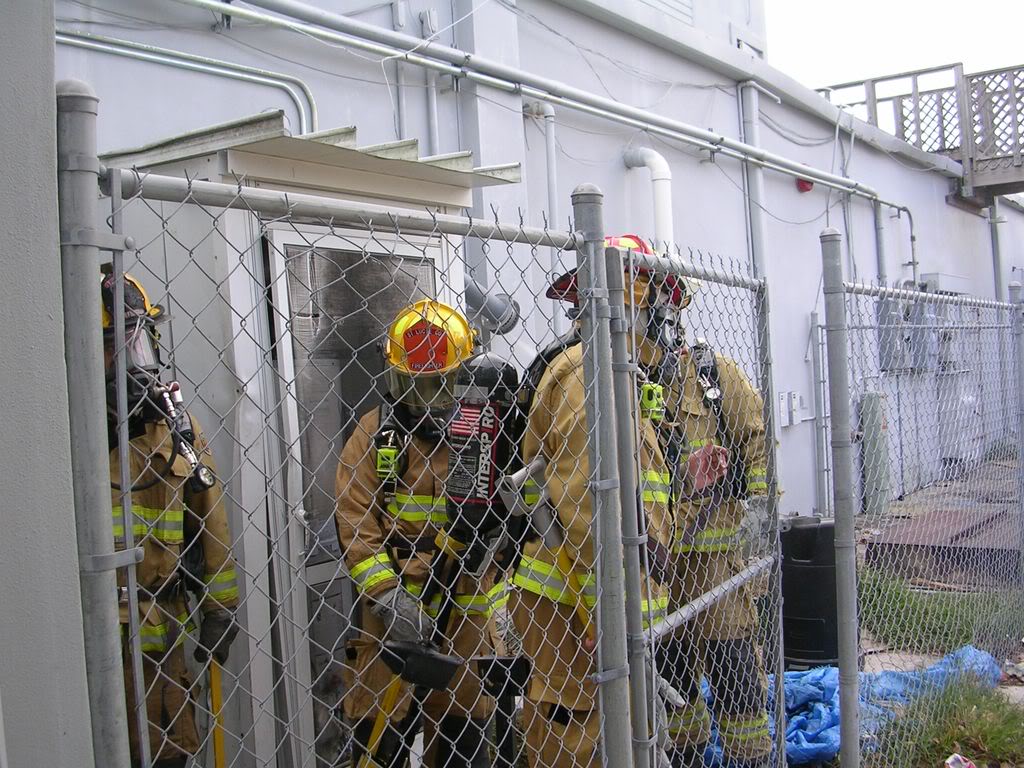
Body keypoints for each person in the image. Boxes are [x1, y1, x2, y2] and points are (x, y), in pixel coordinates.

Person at [509, 238, 684, 768]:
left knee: (622, 739)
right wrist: (603, 615)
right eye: (661, 307)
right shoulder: (593, 376)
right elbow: (586, 504)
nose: (668, 325)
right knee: (579, 746)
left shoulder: (618, 371)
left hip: (596, 602)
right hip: (578, 607)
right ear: (636, 304)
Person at [334, 299, 504, 768]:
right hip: (388, 619)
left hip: (465, 607)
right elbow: (354, 519)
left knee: (461, 742)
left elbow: (515, 502)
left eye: (438, 385)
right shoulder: (374, 434)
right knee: (379, 741)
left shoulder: (483, 434)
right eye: (412, 386)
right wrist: (389, 597)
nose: (424, 400)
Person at [637, 234, 772, 768]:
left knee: (735, 673)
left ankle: (753, 759)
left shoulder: (714, 378)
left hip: (715, 570)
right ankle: (689, 758)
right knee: (671, 679)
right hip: (656, 564)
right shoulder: (611, 384)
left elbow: (759, 450)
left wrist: (752, 520)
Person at [102, 270, 239, 767]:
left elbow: (212, 521)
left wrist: (221, 609)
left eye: (136, 345)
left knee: (172, 753)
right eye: (112, 349)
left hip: (167, 638)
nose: (128, 363)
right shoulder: (68, 436)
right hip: (97, 643)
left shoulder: (177, 427)